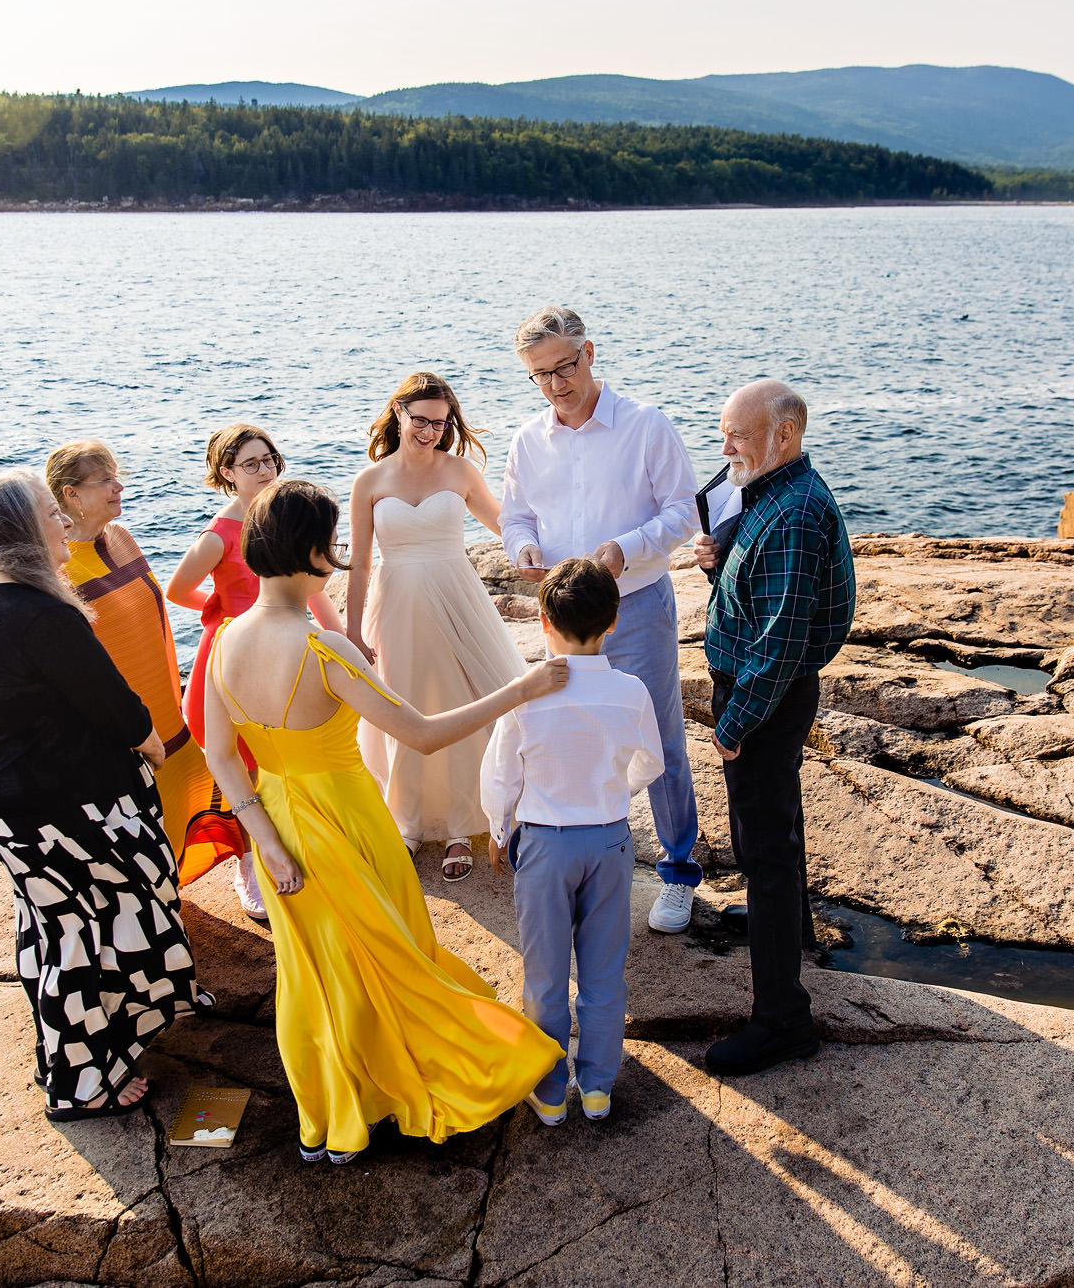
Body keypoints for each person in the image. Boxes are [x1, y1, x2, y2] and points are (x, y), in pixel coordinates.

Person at [199, 479, 568, 1163]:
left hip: (279, 817)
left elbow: (220, 755)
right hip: (345, 816)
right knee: (389, 958)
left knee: (315, 971)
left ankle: (337, 1114)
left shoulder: (223, 640)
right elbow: (422, 733)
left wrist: (266, 841)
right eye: (332, 542)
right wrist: (519, 689)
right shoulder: (322, 649)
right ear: (312, 552)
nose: (336, 553)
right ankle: (390, 1091)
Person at [0, 470, 204, 1119]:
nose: (63, 524)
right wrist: (151, 746)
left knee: (58, 928)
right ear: (23, 533)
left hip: (6, 796)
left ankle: (79, 1056)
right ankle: (83, 1081)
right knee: (93, 926)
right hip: (57, 804)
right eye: (47, 514)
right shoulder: (41, 614)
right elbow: (116, 706)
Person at [502, 306, 702, 935]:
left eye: (565, 365)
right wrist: (523, 549)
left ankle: (678, 870)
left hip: (637, 603)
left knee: (660, 733)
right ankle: (585, 862)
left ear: (590, 353)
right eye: (542, 374)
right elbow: (516, 516)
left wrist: (627, 547)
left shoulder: (646, 425)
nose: (557, 382)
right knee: (567, 729)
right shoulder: (527, 440)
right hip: (561, 609)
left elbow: (684, 513)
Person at [690, 381, 854, 1077]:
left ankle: (783, 1019)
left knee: (766, 843)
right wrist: (720, 566)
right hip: (773, 691)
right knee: (774, 829)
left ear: (782, 435)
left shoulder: (790, 514)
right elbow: (766, 600)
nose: (724, 447)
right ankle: (781, 920)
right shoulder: (775, 492)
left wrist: (733, 722)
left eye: (738, 434)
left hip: (766, 695)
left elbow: (781, 642)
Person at [482, 558, 662, 1127]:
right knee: (605, 974)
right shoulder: (631, 691)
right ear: (613, 621)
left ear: (542, 621)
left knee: (545, 974)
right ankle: (600, 1087)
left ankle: (552, 1091)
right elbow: (652, 762)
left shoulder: (529, 693)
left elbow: (501, 774)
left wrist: (496, 829)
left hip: (545, 845)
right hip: (609, 843)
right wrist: (616, 789)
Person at [347, 372, 524, 881]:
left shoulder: (461, 471)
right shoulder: (371, 481)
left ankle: (458, 826)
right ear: (399, 412)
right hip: (397, 604)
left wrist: (545, 545)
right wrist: (354, 632)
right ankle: (405, 821)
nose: (429, 432)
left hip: (457, 599)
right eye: (420, 420)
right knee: (404, 706)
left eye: (440, 424)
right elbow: (359, 563)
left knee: (459, 704)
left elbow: (505, 524)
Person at [168, 424, 343, 919]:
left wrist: (344, 636)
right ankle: (249, 862)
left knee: (286, 752)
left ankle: (300, 840)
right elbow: (177, 591)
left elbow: (316, 583)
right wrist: (224, 613)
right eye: (251, 464)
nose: (265, 470)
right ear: (227, 472)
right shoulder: (218, 535)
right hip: (233, 656)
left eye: (269, 459)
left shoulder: (281, 515)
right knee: (242, 766)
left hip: (284, 651)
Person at [47, 439, 223, 888]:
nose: (117, 487)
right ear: (72, 494)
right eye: (105, 480)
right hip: (119, 723)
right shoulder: (57, 569)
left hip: (163, 703)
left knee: (188, 789)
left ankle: (168, 885)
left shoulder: (120, 537)